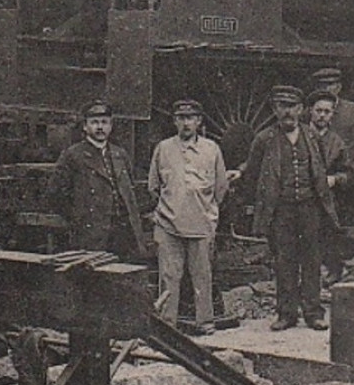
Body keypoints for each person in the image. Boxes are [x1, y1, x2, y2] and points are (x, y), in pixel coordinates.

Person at [239, 85, 338, 330]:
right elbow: (252, 173)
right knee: (284, 261)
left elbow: (321, 168)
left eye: (292, 107)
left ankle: (313, 313)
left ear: (301, 109)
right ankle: (286, 313)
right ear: (275, 109)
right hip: (280, 210)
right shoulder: (264, 139)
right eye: (282, 106)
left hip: (309, 207)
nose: (287, 112)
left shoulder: (312, 136)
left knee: (312, 260)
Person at [147, 98, 230, 332]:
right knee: (169, 276)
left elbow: (220, 188)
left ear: (199, 122)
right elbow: (154, 186)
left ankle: (205, 322)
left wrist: (208, 213)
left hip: (201, 223)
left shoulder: (211, 149)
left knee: (202, 276)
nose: (186, 123)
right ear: (174, 121)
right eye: (181, 118)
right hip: (168, 224)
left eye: (191, 118)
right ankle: (166, 326)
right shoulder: (163, 149)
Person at [45, 98, 146, 259]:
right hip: (92, 232)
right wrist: (79, 219)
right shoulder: (73, 155)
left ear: (111, 126)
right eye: (94, 122)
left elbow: (129, 191)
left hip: (123, 233)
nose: (100, 127)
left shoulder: (120, 154)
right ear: (85, 126)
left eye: (105, 122)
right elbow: (55, 194)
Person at [309, 67, 354, 268]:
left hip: (352, 173)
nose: (327, 89)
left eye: (331, 85)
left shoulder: (353, 111)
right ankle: (331, 264)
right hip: (325, 177)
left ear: (339, 87)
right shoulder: (312, 113)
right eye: (322, 86)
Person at [305, 88, 354, 284]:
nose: (322, 115)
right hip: (303, 195)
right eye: (318, 110)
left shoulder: (337, 142)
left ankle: (333, 271)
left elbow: (348, 172)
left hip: (328, 199)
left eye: (327, 111)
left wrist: (335, 179)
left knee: (328, 233)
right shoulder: (299, 135)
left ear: (332, 114)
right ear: (310, 111)